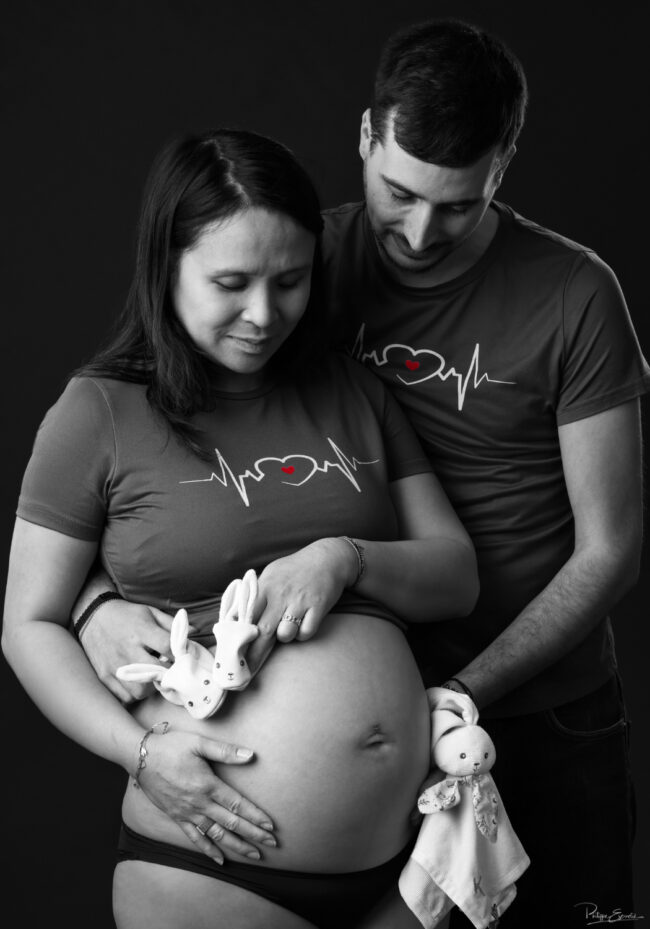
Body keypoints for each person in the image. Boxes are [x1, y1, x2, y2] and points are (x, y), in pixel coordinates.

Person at [73, 18, 650, 927]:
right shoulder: (296, 265)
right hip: (342, 727)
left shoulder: (577, 294)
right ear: (365, 137)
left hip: (540, 714)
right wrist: (94, 599)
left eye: (458, 205)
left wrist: (462, 694)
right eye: (398, 193)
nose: (419, 232)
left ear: (503, 163)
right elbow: (144, 447)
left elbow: (611, 548)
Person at [2, 127, 479, 929]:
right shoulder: (99, 412)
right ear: (168, 268)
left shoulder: (349, 391)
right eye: (231, 282)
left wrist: (344, 558)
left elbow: (456, 576)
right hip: (211, 873)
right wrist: (141, 754)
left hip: (415, 863)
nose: (265, 314)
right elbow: (26, 623)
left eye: (290, 280)